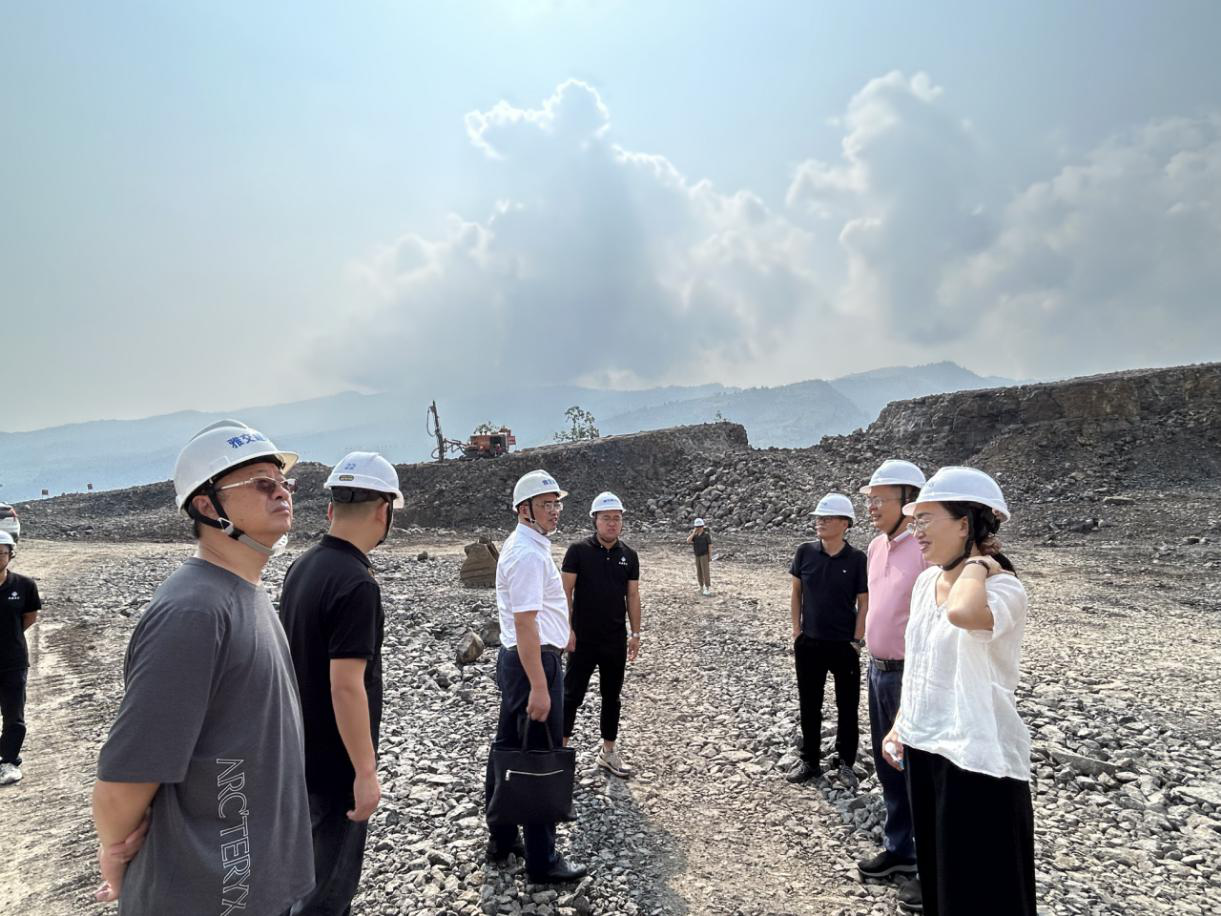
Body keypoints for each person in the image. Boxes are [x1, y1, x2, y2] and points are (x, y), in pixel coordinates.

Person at [92, 420, 314, 914]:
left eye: (284, 482)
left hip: (257, 888)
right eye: (262, 483)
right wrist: (113, 848)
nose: (282, 492)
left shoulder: (246, 593)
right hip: (207, 894)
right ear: (208, 507)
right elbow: (123, 783)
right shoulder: (194, 611)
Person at [882, 467, 1035, 916]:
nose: (916, 531)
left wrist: (979, 564)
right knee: (940, 882)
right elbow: (920, 663)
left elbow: (963, 614)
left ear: (965, 524)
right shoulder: (926, 582)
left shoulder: (1002, 587)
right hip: (926, 747)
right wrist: (900, 724)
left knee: (985, 894)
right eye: (914, 520)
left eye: (926, 519)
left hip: (978, 759)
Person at [279, 452, 404, 915]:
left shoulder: (302, 567)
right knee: (327, 892)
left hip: (300, 751)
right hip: (337, 766)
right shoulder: (357, 584)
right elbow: (346, 685)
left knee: (298, 880)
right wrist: (365, 773)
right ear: (383, 511)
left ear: (332, 508)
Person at [485, 469, 588, 884]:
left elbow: (535, 616)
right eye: (547, 505)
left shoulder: (526, 546)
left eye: (556, 504)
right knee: (540, 757)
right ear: (523, 509)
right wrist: (542, 687)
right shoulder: (527, 554)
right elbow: (526, 623)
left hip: (521, 661)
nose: (555, 511)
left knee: (509, 748)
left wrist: (562, 633)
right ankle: (542, 860)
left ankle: (502, 838)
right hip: (533, 664)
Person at [854, 460, 928, 914]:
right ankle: (900, 849)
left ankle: (929, 869)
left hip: (910, 674)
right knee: (888, 765)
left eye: (880, 500)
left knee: (919, 770)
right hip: (877, 670)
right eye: (870, 500)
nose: (872, 508)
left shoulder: (925, 549)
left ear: (909, 501)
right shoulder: (875, 547)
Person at [786, 493, 869, 785]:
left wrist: (857, 640)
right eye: (818, 517)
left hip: (844, 645)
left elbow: (864, 602)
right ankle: (810, 761)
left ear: (846, 523)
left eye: (828, 517)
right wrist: (796, 631)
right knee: (809, 704)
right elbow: (796, 593)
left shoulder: (857, 559)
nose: (820, 522)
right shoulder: (804, 552)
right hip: (809, 643)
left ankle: (845, 762)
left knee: (848, 706)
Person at [561, 491, 641, 778]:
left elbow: (633, 596)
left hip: (614, 639)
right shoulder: (577, 551)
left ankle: (608, 752)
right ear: (595, 520)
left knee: (612, 697)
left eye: (616, 518)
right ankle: (559, 753)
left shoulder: (629, 555)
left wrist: (635, 633)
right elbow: (565, 592)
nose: (612, 523)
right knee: (571, 695)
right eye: (606, 518)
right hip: (582, 638)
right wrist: (567, 629)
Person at [0, 530, 40, 787]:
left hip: (12, 661)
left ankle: (8, 761)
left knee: (13, 714)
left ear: (10, 555)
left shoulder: (24, 585)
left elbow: (29, 617)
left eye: (1, 553)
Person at [687, 518, 712, 595]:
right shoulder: (695, 536)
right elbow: (688, 541)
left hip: (704, 555)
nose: (699, 528)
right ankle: (701, 587)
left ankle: (707, 587)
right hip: (697, 555)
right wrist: (693, 533)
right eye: (697, 527)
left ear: (703, 526)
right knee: (699, 572)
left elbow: (710, 546)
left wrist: (709, 556)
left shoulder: (706, 535)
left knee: (705, 572)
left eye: (700, 526)